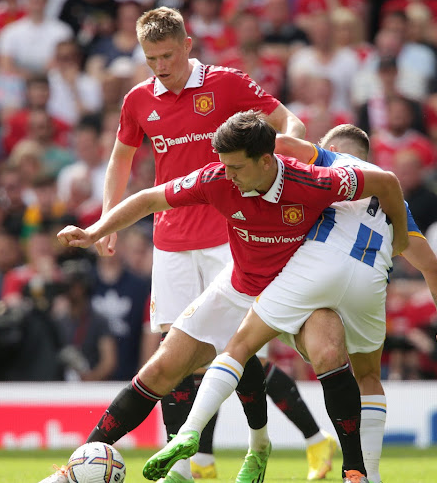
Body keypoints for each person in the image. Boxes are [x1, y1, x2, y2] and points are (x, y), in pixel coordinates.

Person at [53, 111, 407, 483]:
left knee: (330, 354)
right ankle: (69, 473)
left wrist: (400, 238)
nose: (229, 175)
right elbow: (148, 200)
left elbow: (385, 182)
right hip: (239, 288)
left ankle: (355, 472)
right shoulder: (216, 178)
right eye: (224, 165)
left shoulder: (312, 181)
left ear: (267, 160)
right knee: (159, 371)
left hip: (303, 294)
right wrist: (94, 232)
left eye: (237, 167)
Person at [143, 125, 437, 483]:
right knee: (369, 376)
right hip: (371, 281)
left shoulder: (326, 166)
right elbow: (434, 270)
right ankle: (366, 473)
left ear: (333, 149)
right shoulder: (394, 203)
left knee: (241, 343)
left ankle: (190, 432)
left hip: (321, 265)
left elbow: (276, 145)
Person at [93, 6, 332, 483]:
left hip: (230, 239)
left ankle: (282, 443)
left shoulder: (227, 84)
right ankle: (184, 467)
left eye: (166, 55)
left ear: (187, 45)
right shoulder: (138, 100)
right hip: (172, 244)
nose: (159, 66)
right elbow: (121, 161)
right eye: (150, 58)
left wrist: (282, 173)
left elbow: (290, 125)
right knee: (175, 358)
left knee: (239, 354)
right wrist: (107, 217)